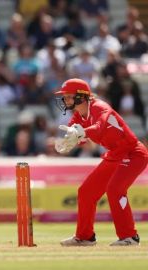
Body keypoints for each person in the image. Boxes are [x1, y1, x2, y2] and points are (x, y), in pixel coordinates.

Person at [54, 78, 148, 246]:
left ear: (81, 97)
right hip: (115, 155)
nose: (65, 100)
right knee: (86, 191)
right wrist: (69, 141)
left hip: (133, 153)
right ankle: (85, 236)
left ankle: (130, 237)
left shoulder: (100, 107)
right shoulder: (79, 115)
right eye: (65, 97)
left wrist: (82, 133)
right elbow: (74, 132)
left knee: (115, 189)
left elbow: (99, 127)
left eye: (68, 96)